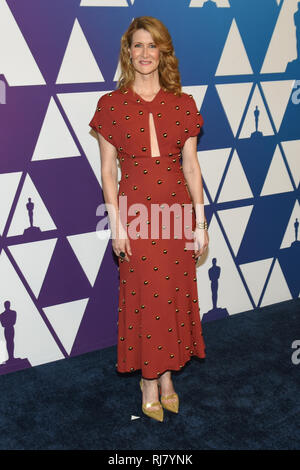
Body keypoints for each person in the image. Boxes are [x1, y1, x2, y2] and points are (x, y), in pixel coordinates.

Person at [89, 16, 209, 422]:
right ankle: (148, 379)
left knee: (173, 295)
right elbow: (108, 172)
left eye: (152, 46)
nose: (144, 54)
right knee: (145, 297)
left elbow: (191, 168)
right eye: (137, 46)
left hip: (176, 210)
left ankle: (168, 376)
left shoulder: (184, 103)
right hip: (137, 212)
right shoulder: (110, 105)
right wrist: (117, 225)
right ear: (128, 53)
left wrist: (200, 223)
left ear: (163, 53)